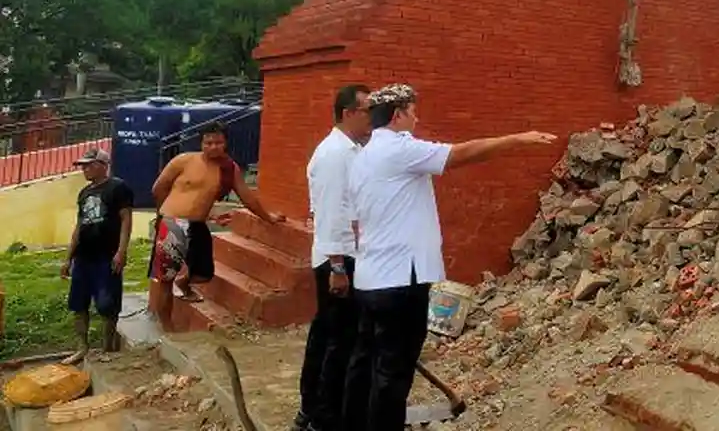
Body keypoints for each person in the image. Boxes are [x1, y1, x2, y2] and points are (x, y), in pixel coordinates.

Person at [342, 83, 558, 431]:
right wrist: (520, 139)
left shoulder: (363, 157)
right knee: (391, 375)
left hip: (370, 278)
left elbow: (356, 220)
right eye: (413, 111)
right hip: (401, 281)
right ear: (397, 116)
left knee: (366, 364)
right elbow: (463, 154)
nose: (418, 118)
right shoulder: (399, 149)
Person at [148, 121, 285, 329]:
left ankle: (184, 283)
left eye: (218, 142)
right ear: (201, 143)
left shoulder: (229, 169)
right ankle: (167, 327)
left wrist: (269, 217)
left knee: (204, 273)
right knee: (165, 279)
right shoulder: (183, 161)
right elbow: (159, 188)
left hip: (198, 225)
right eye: (208, 143)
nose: (213, 147)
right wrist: (164, 215)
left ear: (225, 143)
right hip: (172, 224)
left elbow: (248, 197)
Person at [292, 84, 372, 431]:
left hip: (342, 255)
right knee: (338, 340)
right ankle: (324, 416)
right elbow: (330, 214)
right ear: (347, 113)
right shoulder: (334, 154)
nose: (372, 118)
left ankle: (313, 408)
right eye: (367, 110)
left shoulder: (350, 151)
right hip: (337, 259)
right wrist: (338, 267)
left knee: (329, 334)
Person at [60, 148, 134, 365]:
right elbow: (79, 226)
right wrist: (68, 257)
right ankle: (81, 348)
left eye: (88, 165)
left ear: (103, 164)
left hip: (106, 255)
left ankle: (107, 348)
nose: (84, 169)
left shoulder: (118, 188)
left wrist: (121, 251)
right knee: (78, 304)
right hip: (83, 256)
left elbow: (126, 220)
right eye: (82, 165)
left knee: (107, 303)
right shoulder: (84, 193)